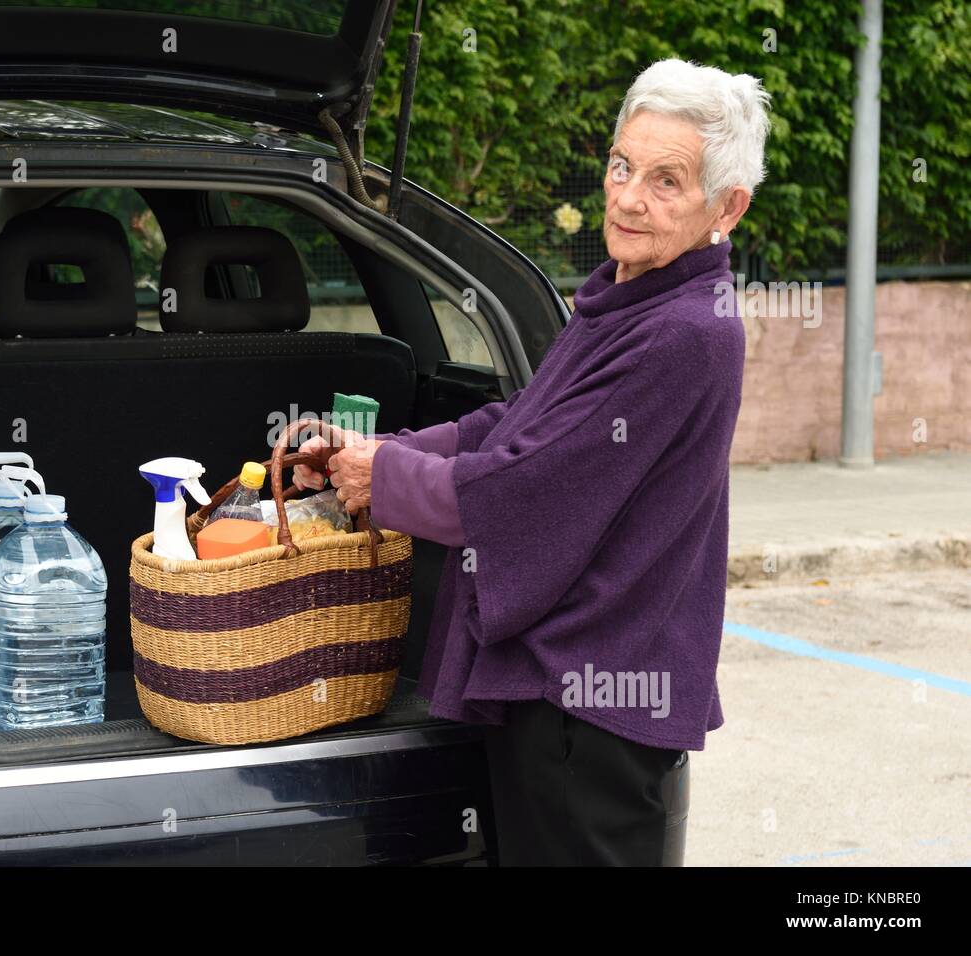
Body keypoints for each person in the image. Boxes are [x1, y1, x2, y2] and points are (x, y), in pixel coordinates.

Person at [294, 58, 772, 866]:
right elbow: (517, 424)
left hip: (591, 720)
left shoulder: (689, 330)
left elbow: (533, 490)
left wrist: (385, 480)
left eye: (667, 181)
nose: (626, 198)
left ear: (728, 206)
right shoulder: (632, 293)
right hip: (559, 705)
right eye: (623, 166)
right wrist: (382, 451)